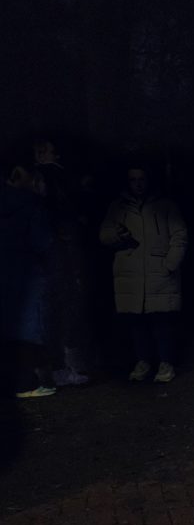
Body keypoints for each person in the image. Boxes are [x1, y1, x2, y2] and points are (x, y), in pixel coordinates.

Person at [99, 163, 188, 382]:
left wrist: (169, 264)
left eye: (141, 179)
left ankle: (166, 363)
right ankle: (143, 362)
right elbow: (104, 235)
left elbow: (180, 236)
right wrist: (118, 235)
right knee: (137, 324)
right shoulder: (118, 207)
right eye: (133, 180)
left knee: (161, 322)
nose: (137, 184)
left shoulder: (166, 206)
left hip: (159, 273)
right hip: (131, 274)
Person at [33, 138, 94, 385]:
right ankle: (65, 366)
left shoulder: (43, 180)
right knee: (65, 304)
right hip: (60, 248)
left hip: (50, 251)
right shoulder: (54, 177)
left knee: (53, 308)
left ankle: (59, 367)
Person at [1, 162, 56, 398]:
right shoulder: (31, 205)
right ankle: (28, 382)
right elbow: (43, 242)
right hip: (29, 272)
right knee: (32, 326)